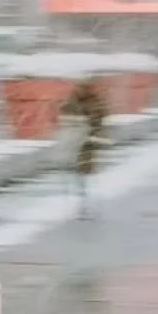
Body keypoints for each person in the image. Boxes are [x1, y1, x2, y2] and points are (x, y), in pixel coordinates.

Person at [64, 76, 107, 217]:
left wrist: (94, 131)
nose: (81, 88)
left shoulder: (95, 101)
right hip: (75, 139)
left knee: (85, 170)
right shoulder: (72, 100)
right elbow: (65, 114)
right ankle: (82, 200)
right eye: (80, 86)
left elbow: (100, 118)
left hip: (88, 141)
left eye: (84, 86)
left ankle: (85, 201)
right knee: (79, 170)